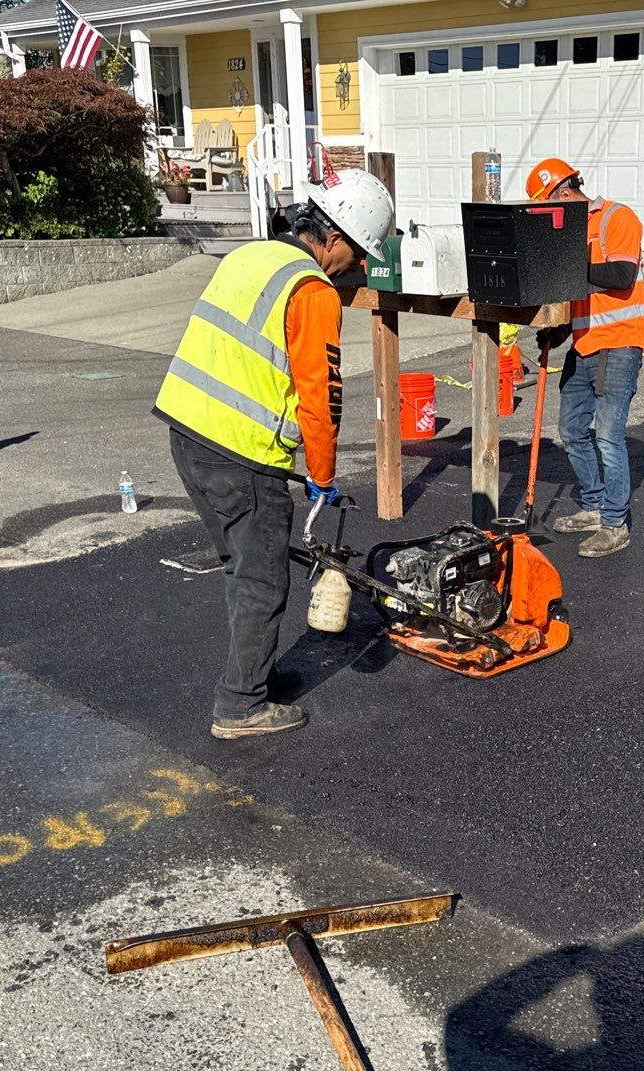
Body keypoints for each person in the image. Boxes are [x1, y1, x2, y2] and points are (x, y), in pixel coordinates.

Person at [153, 169, 394, 740]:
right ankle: (240, 706)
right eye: (357, 254)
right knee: (261, 578)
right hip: (242, 453)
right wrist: (322, 474)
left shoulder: (250, 257)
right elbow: (321, 396)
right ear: (334, 237)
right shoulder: (310, 290)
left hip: (188, 433)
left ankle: (254, 675)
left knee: (243, 566)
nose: (355, 267)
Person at [530, 158, 644, 559]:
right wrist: (559, 331)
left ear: (564, 193)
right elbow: (585, 299)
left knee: (609, 435)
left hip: (620, 343)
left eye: (550, 206)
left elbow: (621, 277)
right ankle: (595, 506)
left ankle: (615, 524)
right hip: (585, 345)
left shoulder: (618, 217)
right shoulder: (572, 235)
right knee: (572, 430)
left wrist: (567, 262)